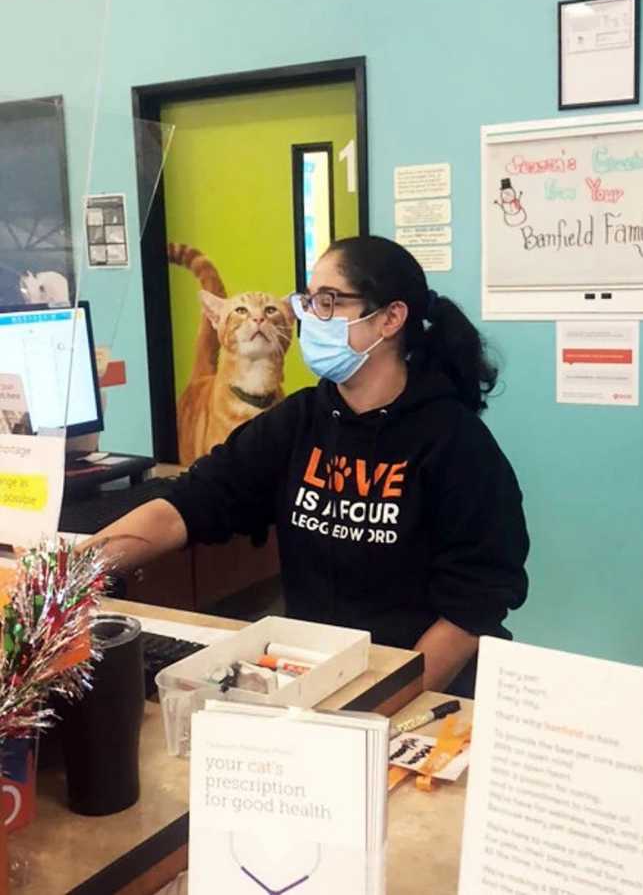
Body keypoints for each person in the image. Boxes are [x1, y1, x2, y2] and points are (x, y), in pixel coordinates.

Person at [90, 236, 529, 697]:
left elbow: (471, 608)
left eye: (328, 302)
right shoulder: (298, 422)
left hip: (422, 694)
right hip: (313, 679)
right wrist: (66, 574)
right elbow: (192, 501)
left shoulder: (455, 443)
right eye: (309, 300)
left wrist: (380, 711)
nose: (308, 318)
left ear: (391, 318)